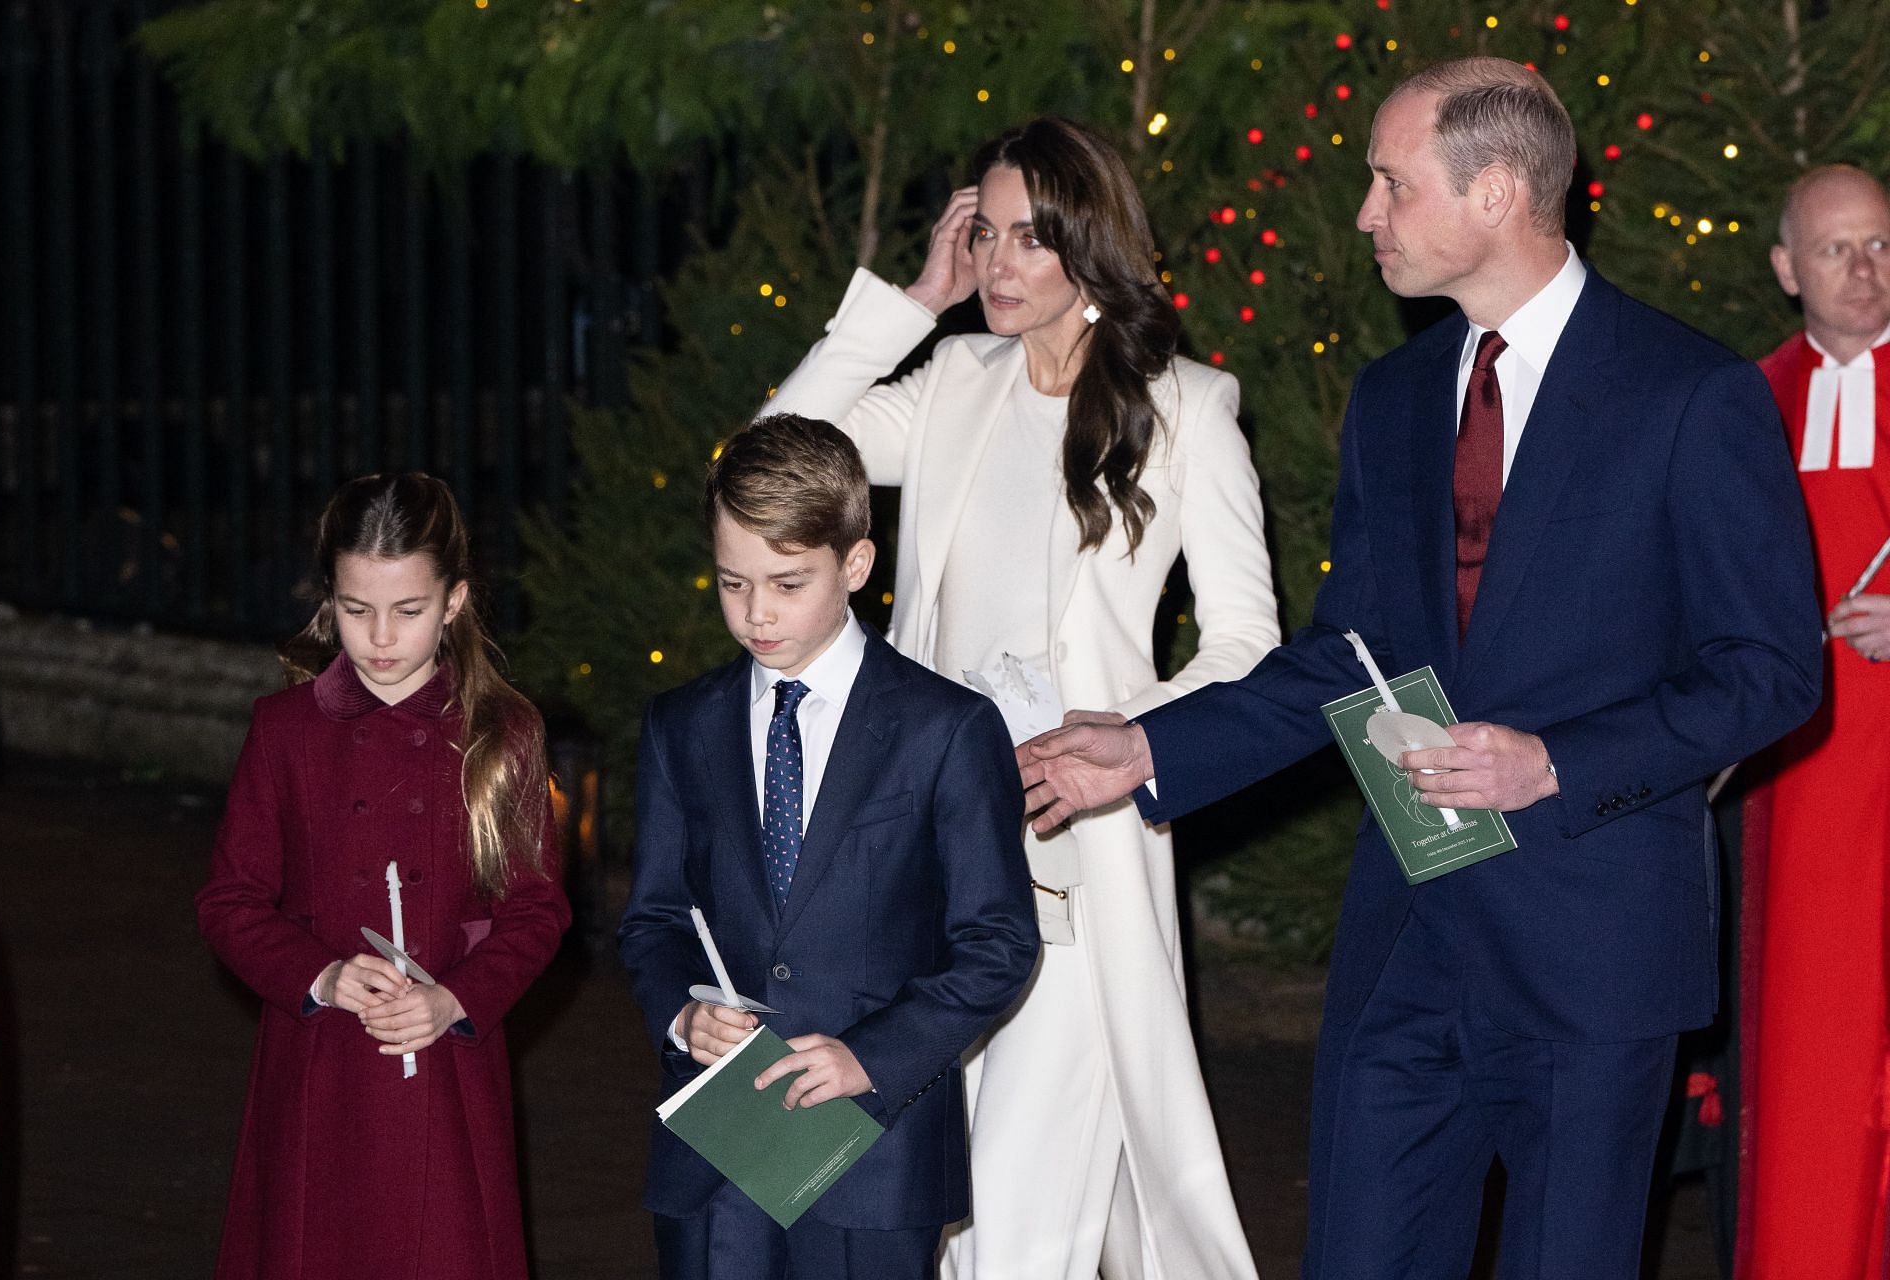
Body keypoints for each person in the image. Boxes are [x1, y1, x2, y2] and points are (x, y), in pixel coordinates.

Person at [1017, 58, 1823, 1277]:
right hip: (1409, 936)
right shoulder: (1394, 397)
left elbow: (1770, 674)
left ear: (1495, 191)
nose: (1367, 214)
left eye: (1391, 183)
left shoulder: (1689, 392)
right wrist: (1149, 747)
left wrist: (1556, 762)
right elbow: (1351, 652)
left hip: (1591, 954)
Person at [765, 116, 1275, 1280]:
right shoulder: (953, 381)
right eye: (983, 234)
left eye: (1027, 238)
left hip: (1074, 852)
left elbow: (1249, 642)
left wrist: (1134, 735)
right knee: (934, 1206)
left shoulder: (1189, 405)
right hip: (925, 845)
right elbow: (779, 454)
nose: (996, 261)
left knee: (1017, 1218)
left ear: (1090, 246)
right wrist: (910, 299)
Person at [618, 414, 1039, 1280]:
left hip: (874, 1151)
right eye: (733, 584)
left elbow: (999, 942)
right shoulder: (680, 725)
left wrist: (869, 1056)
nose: (756, 614)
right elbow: (653, 918)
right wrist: (681, 1015)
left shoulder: (947, 728)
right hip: (718, 1141)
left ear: (855, 564)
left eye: (786, 582)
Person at [198, 473, 570, 1280]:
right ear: (328, 598)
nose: (380, 638)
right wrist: (320, 974)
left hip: (446, 1069)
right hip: (319, 1067)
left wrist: (457, 998)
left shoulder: (502, 733)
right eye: (355, 609)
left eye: (408, 610)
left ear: (456, 600)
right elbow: (229, 901)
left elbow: (537, 912)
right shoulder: (285, 730)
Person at [1738, 164, 1890, 1279]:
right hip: (1792, 779)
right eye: (1837, 249)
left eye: (1883, 244)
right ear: (1789, 268)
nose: (1866, 270)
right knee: (1807, 1050)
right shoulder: (1746, 398)